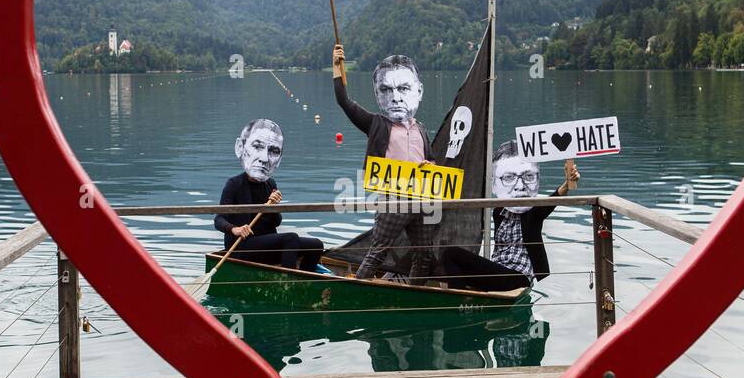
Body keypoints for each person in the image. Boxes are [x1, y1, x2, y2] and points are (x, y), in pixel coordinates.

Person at [332, 44, 436, 281]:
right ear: (379, 95)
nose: (396, 97)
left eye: (403, 89)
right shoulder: (376, 124)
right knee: (378, 251)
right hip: (393, 197)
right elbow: (344, 101)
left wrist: (430, 164)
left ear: (418, 92)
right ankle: (356, 291)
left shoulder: (420, 128)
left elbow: (430, 159)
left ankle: (414, 296)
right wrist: (337, 65)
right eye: (386, 90)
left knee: (424, 255)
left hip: (422, 196)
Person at [435, 142, 581, 292]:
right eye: (509, 177)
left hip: (518, 276)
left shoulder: (533, 213)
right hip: (498, 270)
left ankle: (459, 301)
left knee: (451, 253)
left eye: (527, 176)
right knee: (447, 260)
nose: (519, 186)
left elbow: (551, 201)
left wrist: (567, 184)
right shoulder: (499, 212)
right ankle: (462, 299)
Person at [214, 118, 324, 272]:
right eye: (257, 147)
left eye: (273, 151)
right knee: (290, 238)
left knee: (316, 245)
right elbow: (218, 219)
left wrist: (273, 206)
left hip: (266, 245)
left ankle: (307, 277)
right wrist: (235, 229)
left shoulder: (270, 184)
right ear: (242, 149)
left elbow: (276, 222)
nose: (264, 159)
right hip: (242, 246)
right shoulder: (234, 184)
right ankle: (288, 283)